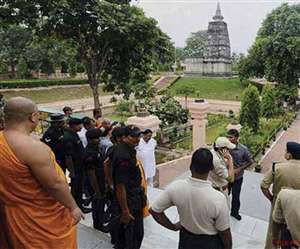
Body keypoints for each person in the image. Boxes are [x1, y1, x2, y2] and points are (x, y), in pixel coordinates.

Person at [0, 97, 83, 249]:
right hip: (41, 219)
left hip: (13, 216)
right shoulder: (33, 148)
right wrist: (73, 207)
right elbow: (54, 184)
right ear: (32, 117)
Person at [150, 148, 232, 249]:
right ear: (211, 168)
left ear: (190, 166)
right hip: (209, 243)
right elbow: (224, 232)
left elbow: (154, 211)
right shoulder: (218, 198)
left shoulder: (175, 187)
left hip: (186, 240)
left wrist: (173, 226)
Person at [111, 126, 146, 249]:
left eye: (138, 136)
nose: (137, 139)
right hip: (129, 202)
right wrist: (125, 210)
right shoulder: (123, 156)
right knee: (132, 237)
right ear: (124, 137)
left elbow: (107, 165)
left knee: (134, 236)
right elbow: (120, 186)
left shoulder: (128, 149)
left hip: (134, 198)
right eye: (134, 136)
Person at [261, 142, 300, 249]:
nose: (285, 153)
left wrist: (271, 198)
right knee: (294, 231)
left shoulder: (277, 167)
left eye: (286, 151)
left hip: (278, 203)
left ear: (289, 155)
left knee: (273, 231)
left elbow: (263, 185)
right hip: (296, 207)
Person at [63, 117, 90, 213]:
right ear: (74, 125)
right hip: (76, 167)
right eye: (79, 125)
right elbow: (68, 157)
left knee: (79, 187)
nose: (81, 127)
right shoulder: (69, 137)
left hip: (79, 166)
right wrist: (72, 171)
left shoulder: (73, 134)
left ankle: (79, 204)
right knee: (76, 189)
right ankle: (77, 206)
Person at [82, 128, 106, 231]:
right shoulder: (90, 153)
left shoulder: (96, 149)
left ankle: (100, 219)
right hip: (94, 183)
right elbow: (91, 174)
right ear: (90, 140)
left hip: (100, 180)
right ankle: (98, 224)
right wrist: (96, 190)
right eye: (97, 138)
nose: (99, 140)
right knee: (97, 202)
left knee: (100, 202)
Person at [227, 129, 253, 221]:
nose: (229, 139)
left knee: (236, 196)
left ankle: (234, 213)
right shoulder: (225, 147)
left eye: (231, 137)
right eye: (228, 137)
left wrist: (240, 169)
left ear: (237, 138)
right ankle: (221, 212)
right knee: (224, 195)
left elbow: (250, 162)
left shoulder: (243, 149)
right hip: (226, 177)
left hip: (237, 178)